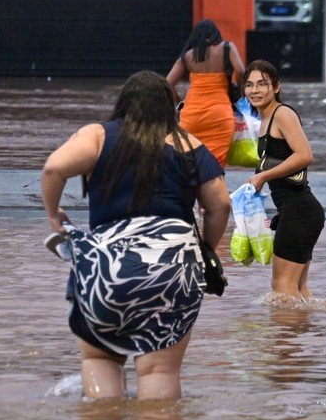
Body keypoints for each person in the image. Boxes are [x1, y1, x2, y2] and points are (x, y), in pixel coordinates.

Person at [41, 70, 232, 400]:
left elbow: (53, 168)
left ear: (124, 104)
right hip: (173, 271)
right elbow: (221, 205)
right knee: (160, 370)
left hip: (106, 270)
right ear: (170, 107)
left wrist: (53, 215)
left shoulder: (99, 136)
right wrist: (203, 251)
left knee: (101, 359)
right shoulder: (190, 145)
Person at [244, 59, 323, 300]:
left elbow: (305, 155)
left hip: (300, 211)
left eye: (261, 84)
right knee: (297, 292)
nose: (254, 90)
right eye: (249, 85)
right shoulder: (263, 120)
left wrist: (263, 176)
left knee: (282, 290)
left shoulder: (282, 113)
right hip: (295, 211)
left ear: (276, 87)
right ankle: (303, 336)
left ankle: (284, 339)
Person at [165, 19, 245, 165]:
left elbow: (167, 83)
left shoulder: (188, 56)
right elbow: (241, 71)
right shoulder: (227, 48)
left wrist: (179, 101)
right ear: (215, 34)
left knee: (190, 160)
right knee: (216, 164)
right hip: (220, 113)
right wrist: (241, 91)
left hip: (192, 114)